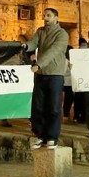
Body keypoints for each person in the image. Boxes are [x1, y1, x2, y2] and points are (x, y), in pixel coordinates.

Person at [22, 8, 69, 149]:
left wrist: (39, 64)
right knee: (38, 106)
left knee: (53, 107)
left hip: (55, 74)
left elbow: (53, 51)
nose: (45, 18)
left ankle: (52, 137)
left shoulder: (62, 34)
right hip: (41, 75)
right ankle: (39, 135)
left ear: (56, 17)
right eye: (44, 15)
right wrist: (25, 46)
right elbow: (33, 42)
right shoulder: (40, 31)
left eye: (49, 15)